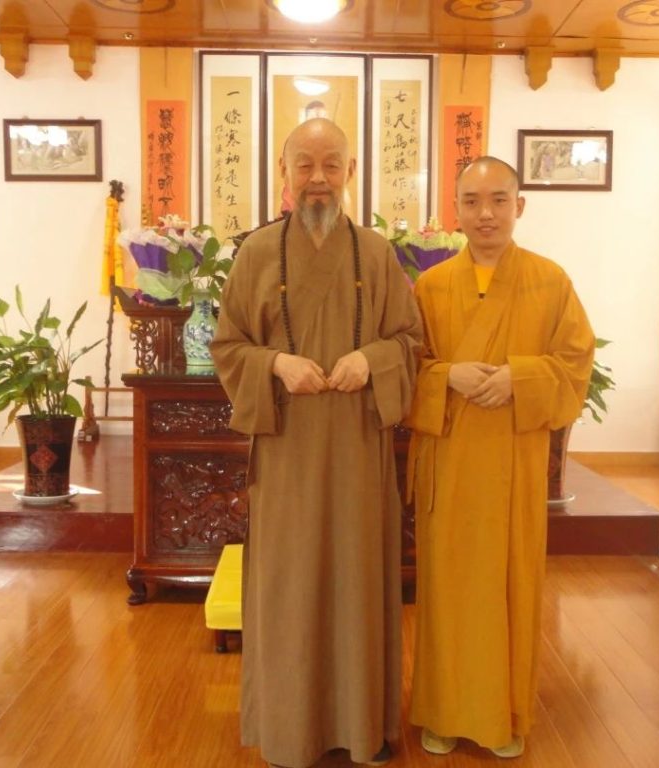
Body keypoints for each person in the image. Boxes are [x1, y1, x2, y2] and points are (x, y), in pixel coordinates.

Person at [211, 118, 422, 768]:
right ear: (284, 171)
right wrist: (275, 364)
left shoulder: (377, 255)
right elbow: (228, 345)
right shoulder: (256, 254)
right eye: (304, 164)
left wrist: (372, 360)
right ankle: (289, 732)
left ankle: (363, 729)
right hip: (288, 451)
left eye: (332, 164)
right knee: (289, 587)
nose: (318, 178)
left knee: (358, 582)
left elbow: (411, 343)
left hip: (358, 446)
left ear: (351, 172)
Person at [406, 156, 594, 758]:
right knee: (447, 591)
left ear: (520, 205)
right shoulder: (431, 287)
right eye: (471, 201)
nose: (485, 213)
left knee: (510, 588)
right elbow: (406, 368)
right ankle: (443, 712)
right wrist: (446, 376)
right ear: (454, 210)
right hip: (450, 463)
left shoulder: (550, 281)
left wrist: (521, 377)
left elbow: (575, 364)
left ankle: (504, 715)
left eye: (498, 200)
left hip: (514, 463)